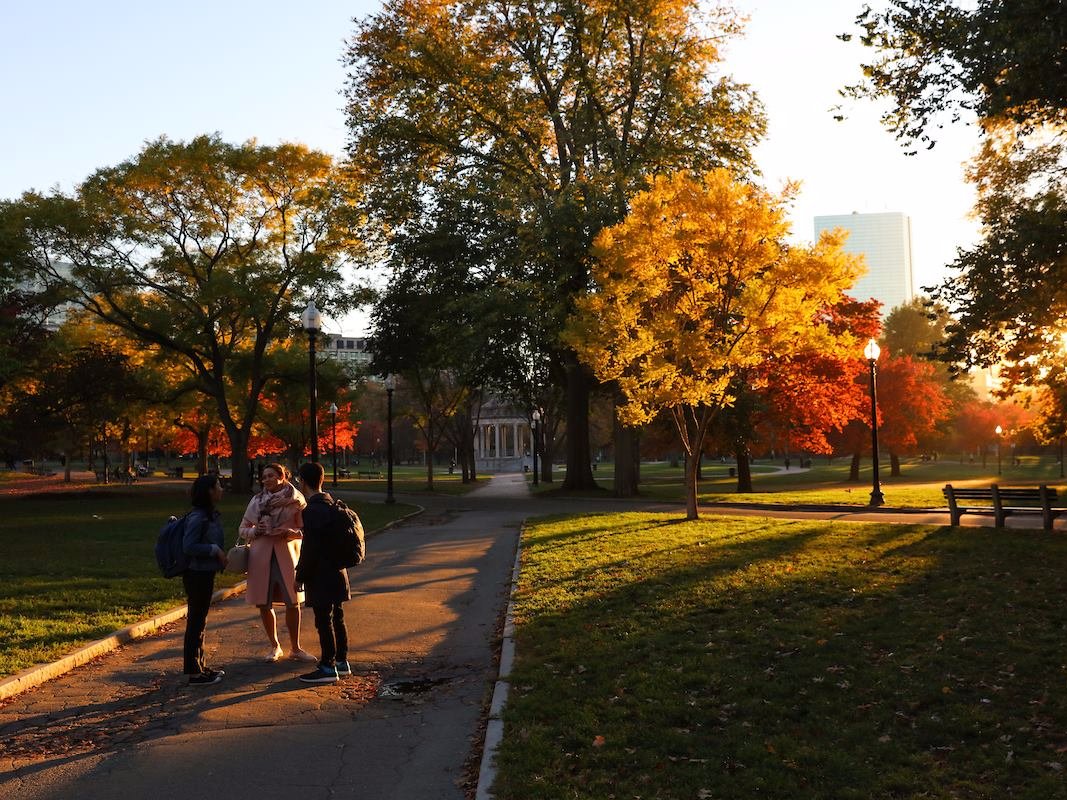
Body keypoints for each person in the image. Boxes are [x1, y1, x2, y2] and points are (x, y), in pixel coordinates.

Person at [239, 463, 316, 663]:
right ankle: (274, 646)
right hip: (260, 556)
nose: (266, 480)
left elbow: (307, 530)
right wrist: (254, 532)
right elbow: (243, 528)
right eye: (263, 477)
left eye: (270, 476)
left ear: (282, 476)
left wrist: (291, 533)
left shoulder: (296, 501)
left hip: (288, 554)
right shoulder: (257, 501)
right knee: (264, 603)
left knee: (293, 601)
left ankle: (296, 648)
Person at [294, 462, 352, 684]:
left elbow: (311, 548)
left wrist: (300, 575)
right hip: (338, 571)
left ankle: (327, 666)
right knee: (337, 617)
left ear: (301, 481)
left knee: (323, 620)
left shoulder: (312, 510)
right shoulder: (332, 503)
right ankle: (341, 661)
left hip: (321, 574)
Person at [182, 474, 229, 685]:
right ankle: (194, 672)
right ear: (209, 491)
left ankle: (200, 667)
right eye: (218, 486)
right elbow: (189, 546)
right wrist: (214, 550)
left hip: (205, 573)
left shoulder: (209, 515)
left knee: (200, 621)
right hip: (196, 574)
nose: (222, 489)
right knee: (195, 621)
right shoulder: (198, 517)